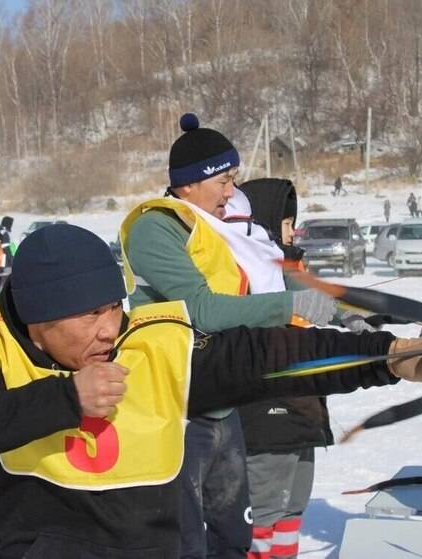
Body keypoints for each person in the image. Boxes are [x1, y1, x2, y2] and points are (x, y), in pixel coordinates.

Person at [0, 222, 422, 559]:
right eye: (90, 315)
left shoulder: (146, 345)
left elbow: (263, 358)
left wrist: (389, 357)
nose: (109, 328)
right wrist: (67, 399)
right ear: (40, 318)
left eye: (114, 307)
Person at [123, 114, 340, 558]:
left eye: (233, 179)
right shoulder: (157, 228)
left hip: (225, 402)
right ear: (190, 184)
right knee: (184, 539)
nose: (230, 190)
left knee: (233, 536)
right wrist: (291, 307)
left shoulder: (226, 228)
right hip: (178, 405)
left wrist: (356, 308)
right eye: (223, 180)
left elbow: (274, 280)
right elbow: (200, 307)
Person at [229, 177, 328, 559]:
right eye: (287, 223)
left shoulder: (293, 267)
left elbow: (325, 305)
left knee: (293, 505)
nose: (294, 230)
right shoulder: (254, 270)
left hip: (301, 407)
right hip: (267, 413)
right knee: (264, 509)